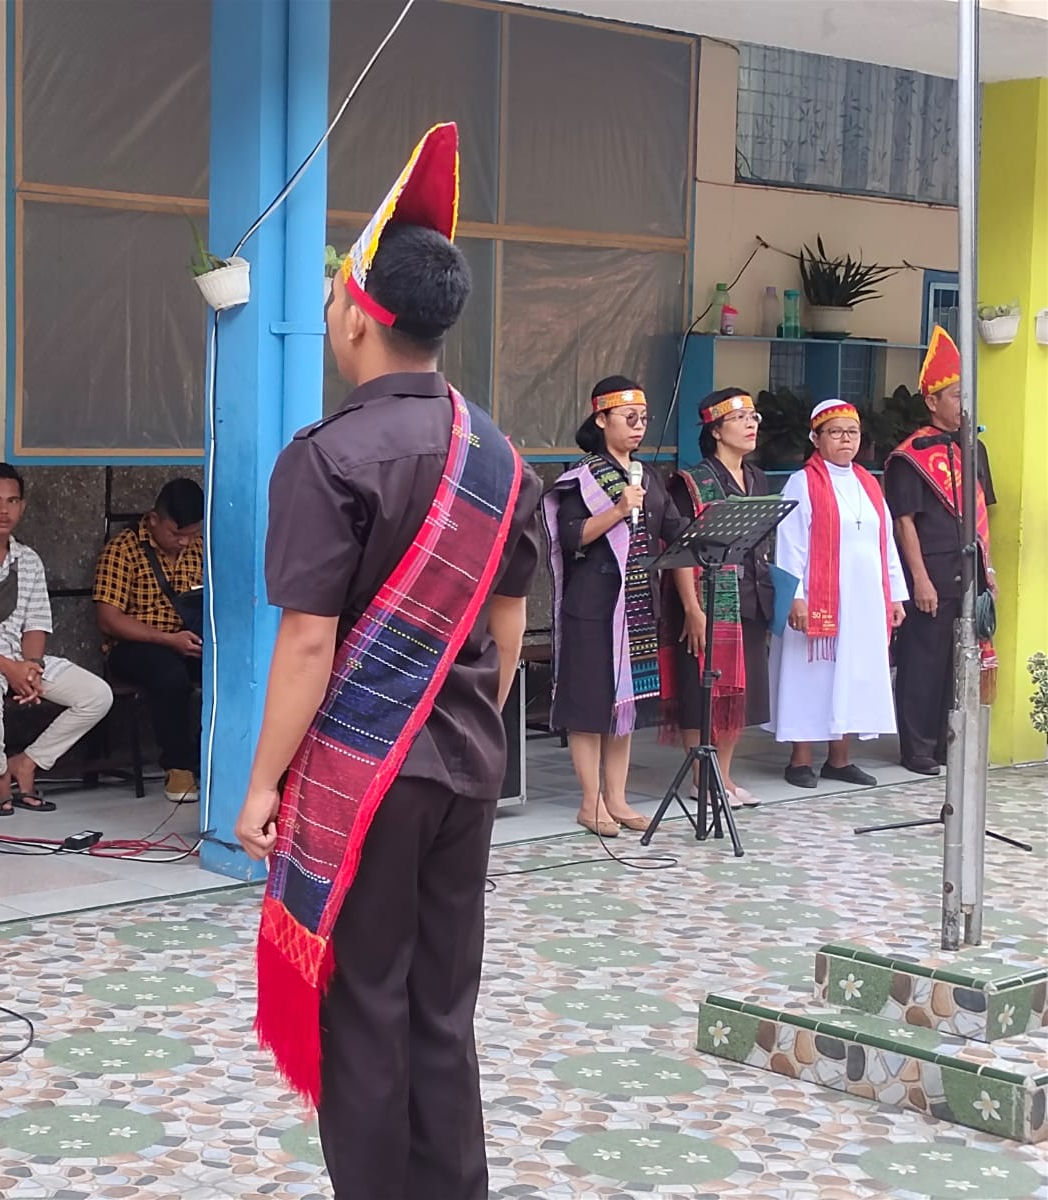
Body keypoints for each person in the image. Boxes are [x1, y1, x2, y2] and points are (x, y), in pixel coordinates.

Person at [236, 123, 541, 1200]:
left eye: (332, 297)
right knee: (441, 1008)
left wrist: (263, 784)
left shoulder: (329, 457)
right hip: (465, 768)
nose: (329, 313)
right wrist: (466, 727)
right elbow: (508, 628)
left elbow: (308, 641)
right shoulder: (499, 457)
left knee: (364, 1005)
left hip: (365, 779)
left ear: (360, 316)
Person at [543, 377, 690, 835]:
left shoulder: (648, 476)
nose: (638, 426)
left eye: (643, 418)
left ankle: (618, 798)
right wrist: (618, 510)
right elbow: (571, 537)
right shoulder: (583, 476)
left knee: (625, 703)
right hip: (594, 602)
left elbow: (674, 528)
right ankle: (590, 802)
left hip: (638, 602)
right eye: (629, 418)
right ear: (602, 419)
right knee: (590, 704)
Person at [0, 464, 113, 817]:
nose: (4, 510)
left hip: (20, 658)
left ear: (22, 506)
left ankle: (28, 762)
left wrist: (30, 667)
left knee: (97, 695)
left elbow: (37, 624)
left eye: (12, 501)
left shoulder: (29, 560)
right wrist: (9, 669)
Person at [768, 400, 908, 786]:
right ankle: (800, 760)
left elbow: (885, 543)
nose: (846, 439)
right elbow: (790, 544)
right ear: (816, 438)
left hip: (863, 600)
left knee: (851, 673)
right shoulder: (803, 482)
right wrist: (796, 597)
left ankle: (840, 760)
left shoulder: (868, 482)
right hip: (818, 598)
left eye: (852, 432)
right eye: (835, 432)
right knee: (809, 676)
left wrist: (895, 595)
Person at [886, 327, 998, 775]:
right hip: (930, 572)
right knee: (923, 663)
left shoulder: (974, 448)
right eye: (955, 396)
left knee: (959, 662)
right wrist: (919, 579)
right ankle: (917, 748)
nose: (964, 404)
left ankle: (948, 743)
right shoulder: (910, 455)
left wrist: (990, 570)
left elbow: (984, 514)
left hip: (969, 570)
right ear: (932, 401)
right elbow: (904, 523)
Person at [660, 389, 774, 808]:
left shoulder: (757, 477)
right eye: (740, 419)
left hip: (750, 594)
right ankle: (700, 777)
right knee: (701, 690)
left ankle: (723, 775)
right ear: (716, 430)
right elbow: (680, 549)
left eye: (754, 417)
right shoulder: (691, 483)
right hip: (705, 597)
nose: (751, 425)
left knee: (737, 691)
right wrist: (692, 609)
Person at [93, 478, 205, 802]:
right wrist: (168, 640)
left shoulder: (199, 548)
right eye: (176, 534)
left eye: (192, 534)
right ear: (154, 519)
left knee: (232, 671)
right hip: (135, 646)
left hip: (189, 638)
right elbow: (108, 619)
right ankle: (179, 766)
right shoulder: (123, 549)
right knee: (170, 676)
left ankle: (210, 756)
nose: (184, 542)